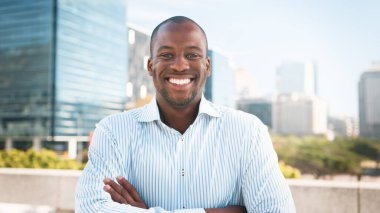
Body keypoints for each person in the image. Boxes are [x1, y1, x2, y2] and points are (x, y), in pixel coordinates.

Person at [75, 16, 296, 213]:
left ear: (207, 66)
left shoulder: (248, 131)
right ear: (151, 66)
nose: (180, 65)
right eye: (167, 54)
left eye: (192, 55)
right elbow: (90, 207)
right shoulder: (113, 131)